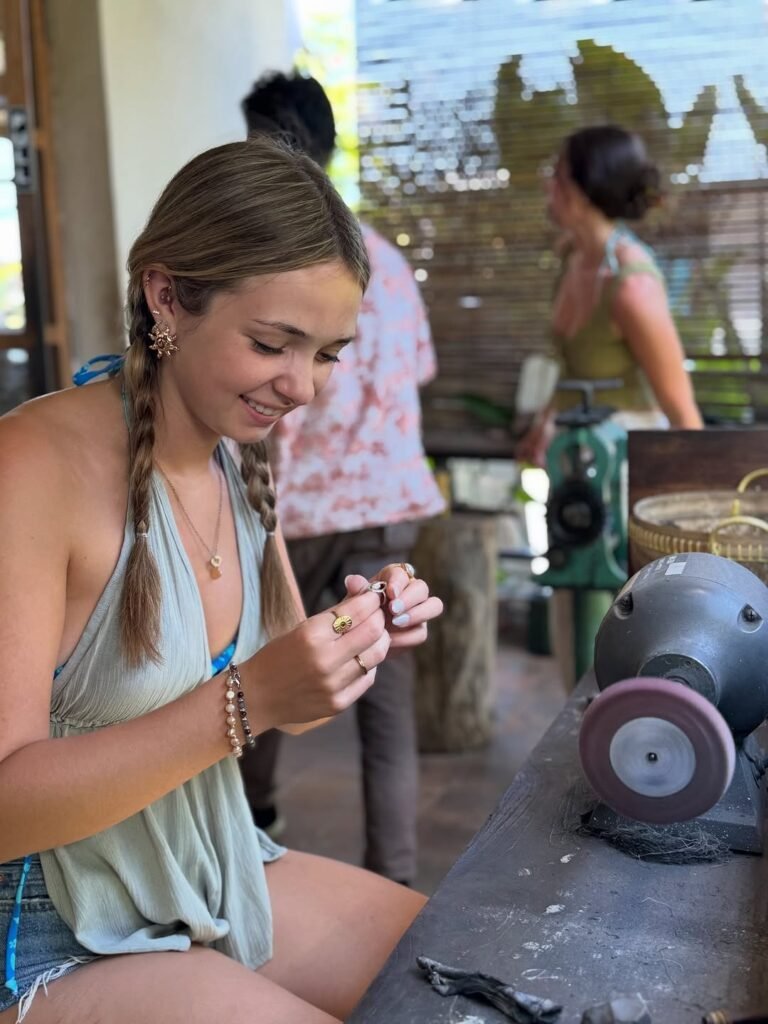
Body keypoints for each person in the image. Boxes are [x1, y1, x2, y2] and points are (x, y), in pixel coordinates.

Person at [0, 136, 444, 1024]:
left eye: (327, 353)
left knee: (472, 968)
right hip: (49, 929)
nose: (303, 388)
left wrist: (352, 644)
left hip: (213, 862)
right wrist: (243, 700)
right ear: (166, 296)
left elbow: (290, 701)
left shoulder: (236, 459)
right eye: (274, 344)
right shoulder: (31, 466)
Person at [239, 72, 446, 886]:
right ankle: (393, 886)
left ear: (267, 146)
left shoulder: (276, 263)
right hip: (393, 501)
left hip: (307, 508)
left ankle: (254, 829)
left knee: (261, 685)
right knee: (386, 716)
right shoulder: (382, 258)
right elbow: (418, 370)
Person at [517, 123, 703, 468]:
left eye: (558, 176)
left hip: (625, 465)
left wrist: (703, 496)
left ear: (585, 191)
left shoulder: (633, 286)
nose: (548, 186)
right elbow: (570, 368)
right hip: (572, 459)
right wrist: (544, 424)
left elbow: (680, 407)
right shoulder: (572, 257)